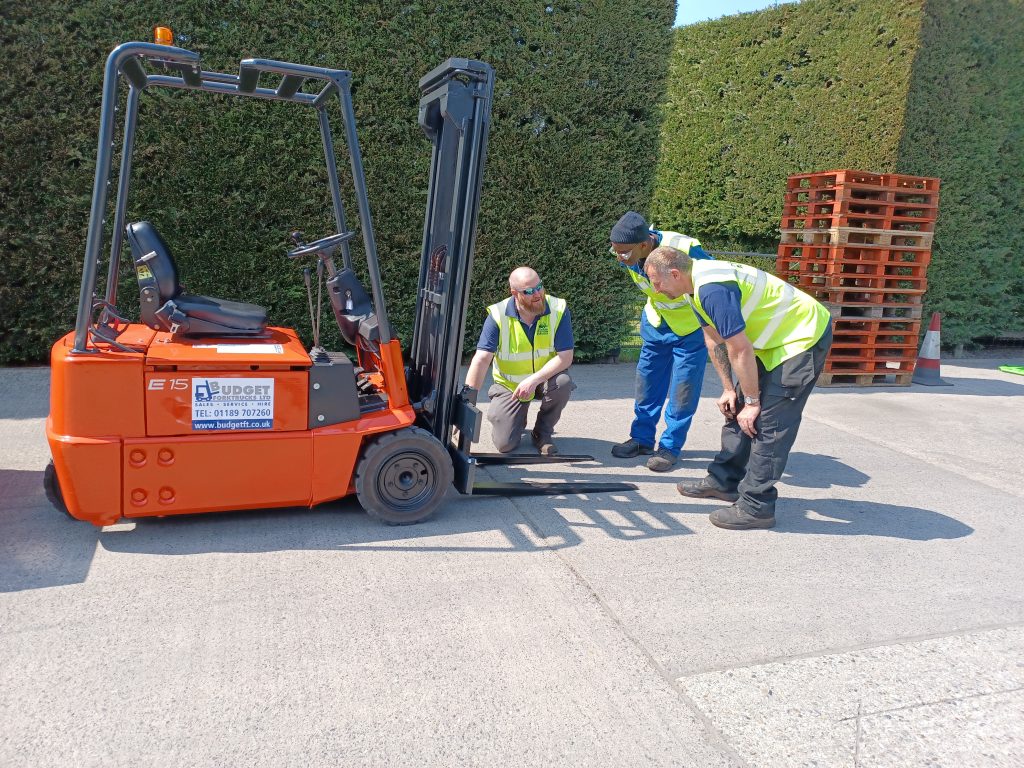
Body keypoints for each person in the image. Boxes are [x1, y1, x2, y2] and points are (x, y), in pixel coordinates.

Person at [643, 245, 833, 530]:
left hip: (800, 338)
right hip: (770, 342)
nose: (655, 290)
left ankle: (757, 507)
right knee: (737, 410)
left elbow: (739, 347)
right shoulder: (692, 290)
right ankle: (723, 481)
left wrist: (754, 401)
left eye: (657, 283)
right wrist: (729, 389)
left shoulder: (712, 290)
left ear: (674, 273)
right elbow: (715, 341)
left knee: (770, 424)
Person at [608, 211, 712, 472]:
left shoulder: (686, 249)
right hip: (656, 324)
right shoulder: (628, 251)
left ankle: (669, 447)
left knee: (682, 389)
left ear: (645, 245)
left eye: (623, 252)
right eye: (615, 251)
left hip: (690, 329)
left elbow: (711, 284)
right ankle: (642, 439)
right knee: (647, 383)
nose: (619, 257)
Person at [462, 267, 575, 456]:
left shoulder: (557, 309)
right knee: (505, 446)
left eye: (539, 286)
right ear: (514, 293)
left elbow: (565, 357)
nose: (537, 294)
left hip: (543, 380)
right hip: (510, 386)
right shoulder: (498, 315)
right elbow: (481, 359)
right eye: (529, 291)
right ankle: (516, 417)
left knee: (563, 382)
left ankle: (542, 433)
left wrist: (533, 380)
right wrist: (466, 403)